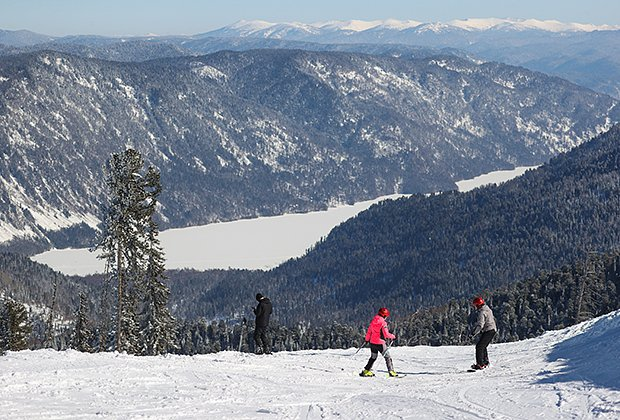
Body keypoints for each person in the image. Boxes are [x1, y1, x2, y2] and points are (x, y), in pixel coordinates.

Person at [360, 307, 398, 377]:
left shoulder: (373, 321)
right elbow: (386, 334)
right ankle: (391, 372)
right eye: (386, 316)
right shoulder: (383, 323)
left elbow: (369, 332)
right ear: (384, 315)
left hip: (372, 343)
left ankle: (366, 371)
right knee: (387, 357)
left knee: (373, 357)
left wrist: (367, 339)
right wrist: (393, 336)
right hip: (380, 343)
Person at [470, 296, 497, 370]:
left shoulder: (482, 312)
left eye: (475, 305)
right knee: (483, 346)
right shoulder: (488, 309)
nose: (475, 307)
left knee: (479, 347)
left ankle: (480, 364)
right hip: (492, 329)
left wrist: (473, 333)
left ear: (478, 305)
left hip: (488, 330)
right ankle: (485, 362)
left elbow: (480, 325)